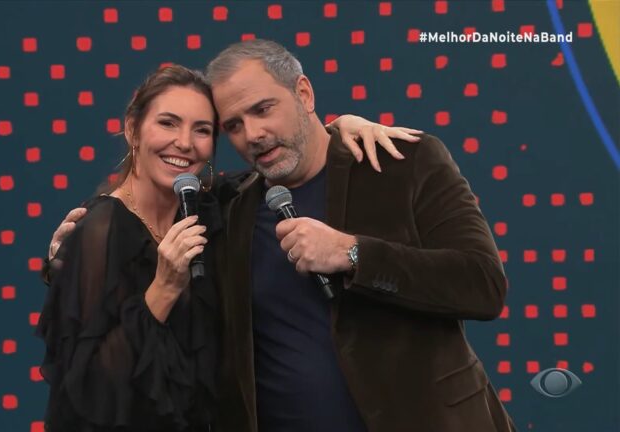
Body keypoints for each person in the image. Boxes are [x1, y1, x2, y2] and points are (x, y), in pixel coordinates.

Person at [35, 63, 421, 431]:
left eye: (201, 130)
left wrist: (338, 128)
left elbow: (281, 162)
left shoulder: (208, 207)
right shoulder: (98, 230)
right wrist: (163, 289)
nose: (183, 143)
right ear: (133, 129)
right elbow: (88, 393)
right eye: (168, 123)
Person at [206, 40, 516, 432]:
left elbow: (482, 285)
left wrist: (353, 253)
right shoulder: (231, 206)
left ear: (303, 93)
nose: (252, 134)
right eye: (233, 125)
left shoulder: (403, 163)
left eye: (263, 109)